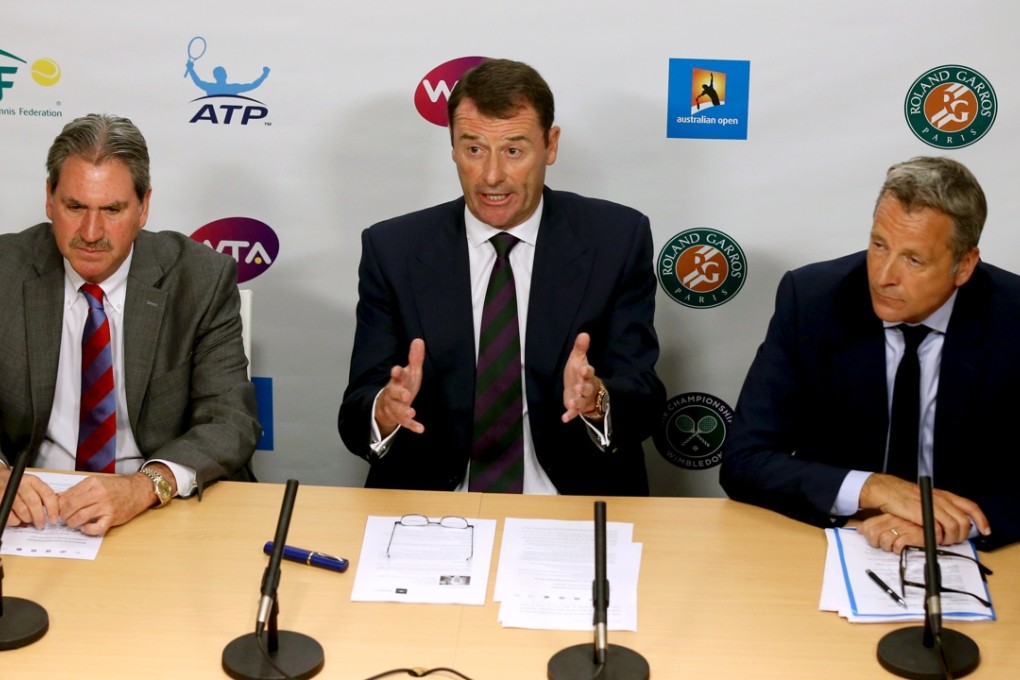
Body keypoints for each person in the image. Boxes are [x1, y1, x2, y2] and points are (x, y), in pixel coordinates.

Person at [339, 59, 665, 495]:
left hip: (572, 500)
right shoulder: (394, 249)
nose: (492, 175)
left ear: (550, 146)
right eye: (474, 149)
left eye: (513, 150)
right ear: (453, 147)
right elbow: (355, 410)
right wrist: (384, 410)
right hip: (433, 507)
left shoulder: (616, 240)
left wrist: (597, 399)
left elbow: (643, 398)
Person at [720, 156, 1019, 552]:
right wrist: (872, 488)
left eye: (913, 259)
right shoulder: (812, 301)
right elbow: (745, 460)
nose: (882, 276)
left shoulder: (1011, 318)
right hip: (835, 538)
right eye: (879, 245)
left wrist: (958, 523)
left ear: (963, 266)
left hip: (967, 552)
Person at [0, 113, 260, 536]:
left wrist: (143, 487)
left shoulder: (200, 280)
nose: (91, 231)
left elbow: (230, 420)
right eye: (75, 206)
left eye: (112, 209)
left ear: (143, 207)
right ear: (49, 199)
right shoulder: (5, 271)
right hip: (30, 515)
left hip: (157, 513)